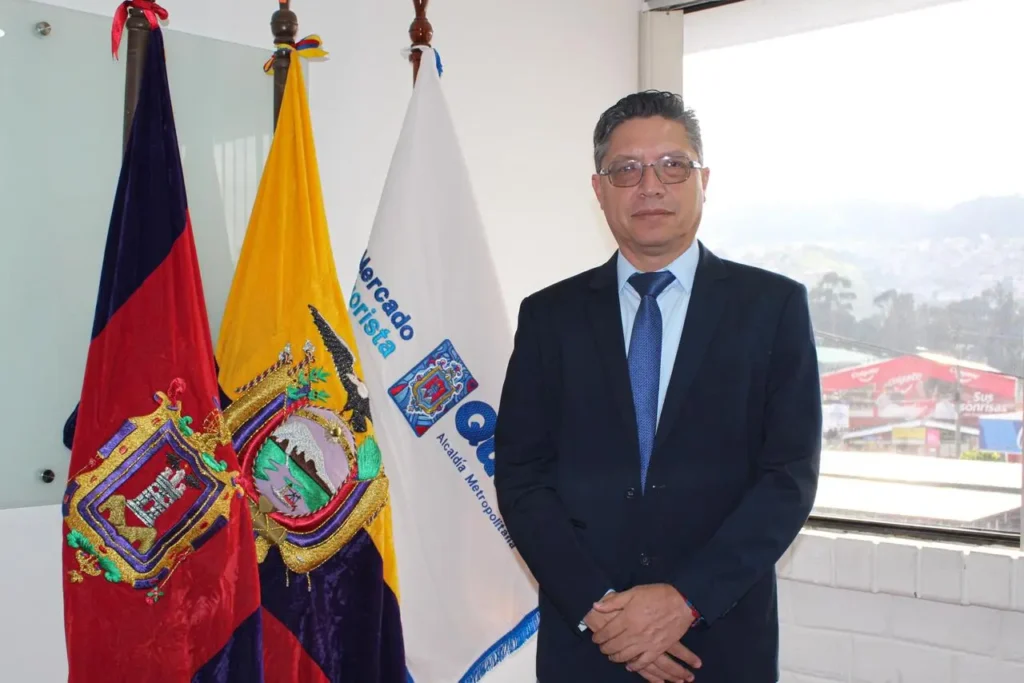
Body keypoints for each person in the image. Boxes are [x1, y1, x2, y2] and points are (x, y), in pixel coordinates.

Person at [493, 91, 822, 683]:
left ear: (703, 181)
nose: (650, 186)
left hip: (718, 642)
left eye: (673, 165)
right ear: (599, 190)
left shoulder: (772, 308)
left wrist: (686, 601)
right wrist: (600, 610)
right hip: (587, 644)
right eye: (626, 169)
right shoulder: (549, 316)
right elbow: (522, 476)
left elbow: (788, 478)